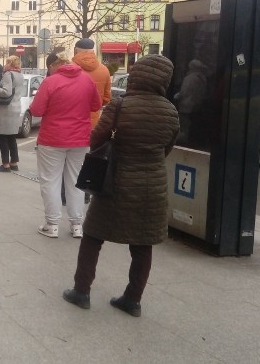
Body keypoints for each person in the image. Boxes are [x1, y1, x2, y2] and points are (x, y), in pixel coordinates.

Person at [62, 55, 180, 317]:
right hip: (152, 188)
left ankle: (81, 291)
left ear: (136, 76)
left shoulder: (120, 106)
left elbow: (97, 140)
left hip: (114, 183)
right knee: (142, 244)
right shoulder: (171, 111)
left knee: (93, 237)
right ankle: (132, 300)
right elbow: (166, 149)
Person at [29, 51, 101, 239]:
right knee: (76, 181)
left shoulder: (51, 82)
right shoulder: (87, 80)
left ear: (54, 65)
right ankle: (77, 225)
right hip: (80, 139)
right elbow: (96, 105)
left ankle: (52, 225)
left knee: (50, 180)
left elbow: (36, 110)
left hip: (52, 139)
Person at [0, 55, 24, 172]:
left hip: (5, 110)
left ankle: (5, 164)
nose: (5, 64)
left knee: (2, 137)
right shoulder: (20, 75)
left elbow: (6, 92)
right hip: (15, 108)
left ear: (10, 63)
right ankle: (14, 163)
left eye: (7, 62)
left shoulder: (8, 74)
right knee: (11, 138)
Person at [72, 38, 111, 127]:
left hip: (73, 122)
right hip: (93, 122)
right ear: (92, 50)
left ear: (76, 50)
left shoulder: (69, 68)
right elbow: (106, 98)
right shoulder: (104, 70)